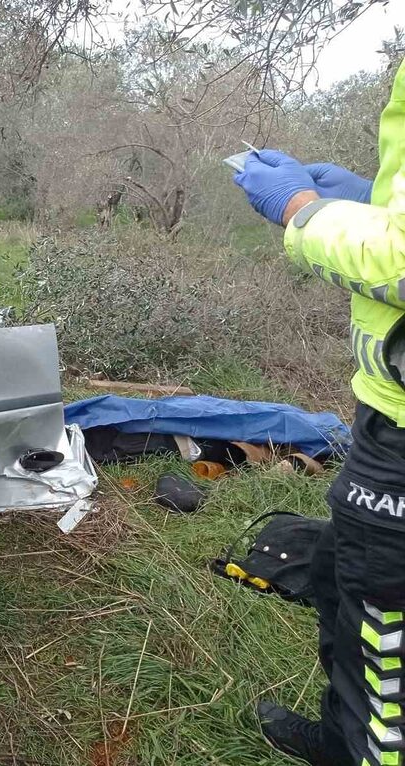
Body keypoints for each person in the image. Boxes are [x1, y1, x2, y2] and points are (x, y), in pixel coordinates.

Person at [232, 59, 405, 766]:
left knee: (381, 620)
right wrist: (372, 202)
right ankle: (342, 739)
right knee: (344, 572)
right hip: (384, 414)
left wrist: (305, 212)